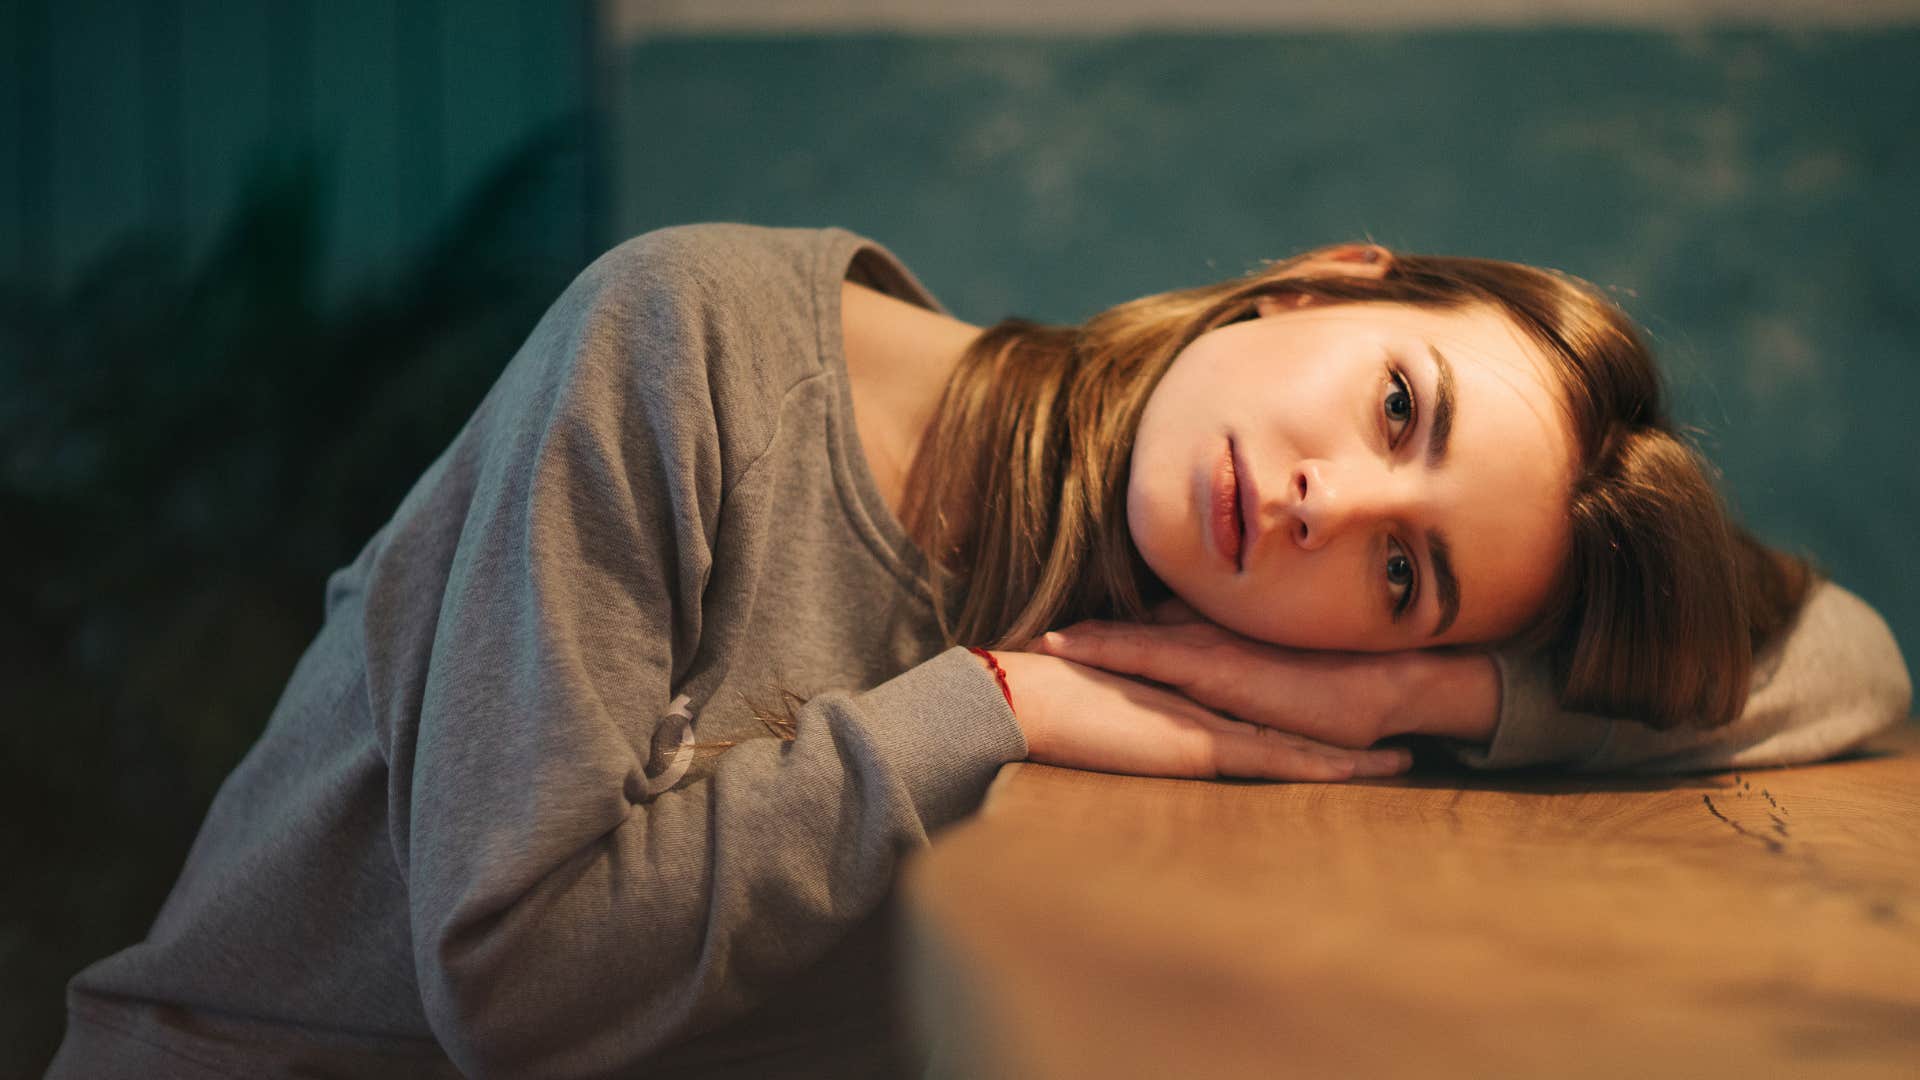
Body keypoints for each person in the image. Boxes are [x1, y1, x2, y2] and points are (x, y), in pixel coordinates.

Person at [50, 224, 1910, 1078]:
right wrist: (1000, 704)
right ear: (1327, 279)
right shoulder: (687, 344)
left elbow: (1849, 663)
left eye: (1410, 576)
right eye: (1399, 404)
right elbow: (512, 982)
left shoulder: (1248, 640)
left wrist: (1415, 695)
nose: (1334, 508)